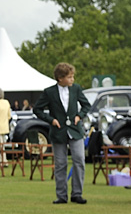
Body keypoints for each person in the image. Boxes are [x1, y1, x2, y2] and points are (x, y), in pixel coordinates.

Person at [33, 63, 91, 205]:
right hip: (58, 132)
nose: (72, 79)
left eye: (72, 77)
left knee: (79, 160)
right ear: (60, 78)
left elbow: (86, 105)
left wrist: (79, 116)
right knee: (60, 163)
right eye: (69, 77)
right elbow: (37, 109)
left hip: (75, 131)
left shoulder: (76, 89)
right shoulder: (49, 92)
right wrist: (51, 120)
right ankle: (61, 195)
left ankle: (77, 193)